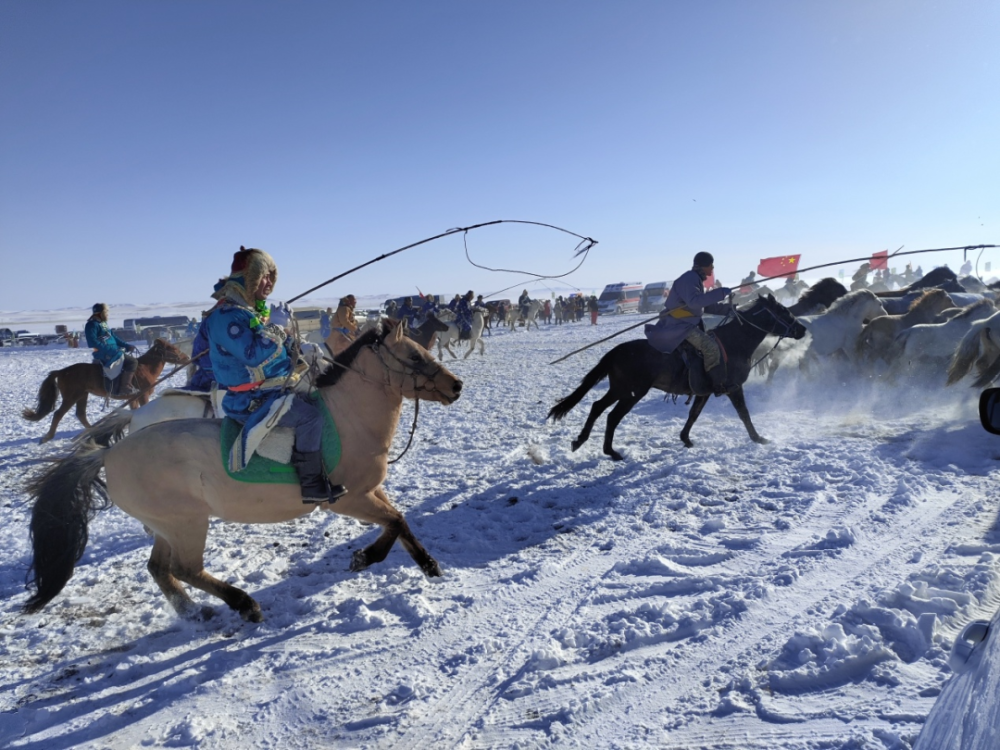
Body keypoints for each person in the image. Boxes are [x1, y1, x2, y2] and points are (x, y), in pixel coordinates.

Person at [206, 246, 347, 504]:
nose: (269, 283)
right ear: (247, 279)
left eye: (272, 277)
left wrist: (298, 347)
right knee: (310, 417)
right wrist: (276, 326)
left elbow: (275, 352)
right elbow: (254, 355)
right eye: (264, 276)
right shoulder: (225, 317)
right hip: (250, 399)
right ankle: (311, 485)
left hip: (276, 387)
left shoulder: (251, 313)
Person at [644, 251, 732, 396]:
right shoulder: (690, 278)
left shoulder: (694, 278)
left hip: (686, 321)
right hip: (680, 325)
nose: (712, 268)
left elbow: (700, 305)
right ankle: (715, 384)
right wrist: (720, 293)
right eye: (711, 265)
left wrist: (727, 308)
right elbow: (694, 302)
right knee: (710, 347)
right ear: (704, 265)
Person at [85, 303, 139, 396]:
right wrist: (110, 350)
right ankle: (125, 387)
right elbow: (92, 342)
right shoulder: (91, 325)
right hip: (104, 353)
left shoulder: (103, 324)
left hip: (113, 351)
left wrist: (127, 346)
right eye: (106, 312)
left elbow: (114, 338)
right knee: (132, 362)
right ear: (100, 313)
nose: (107, 314)